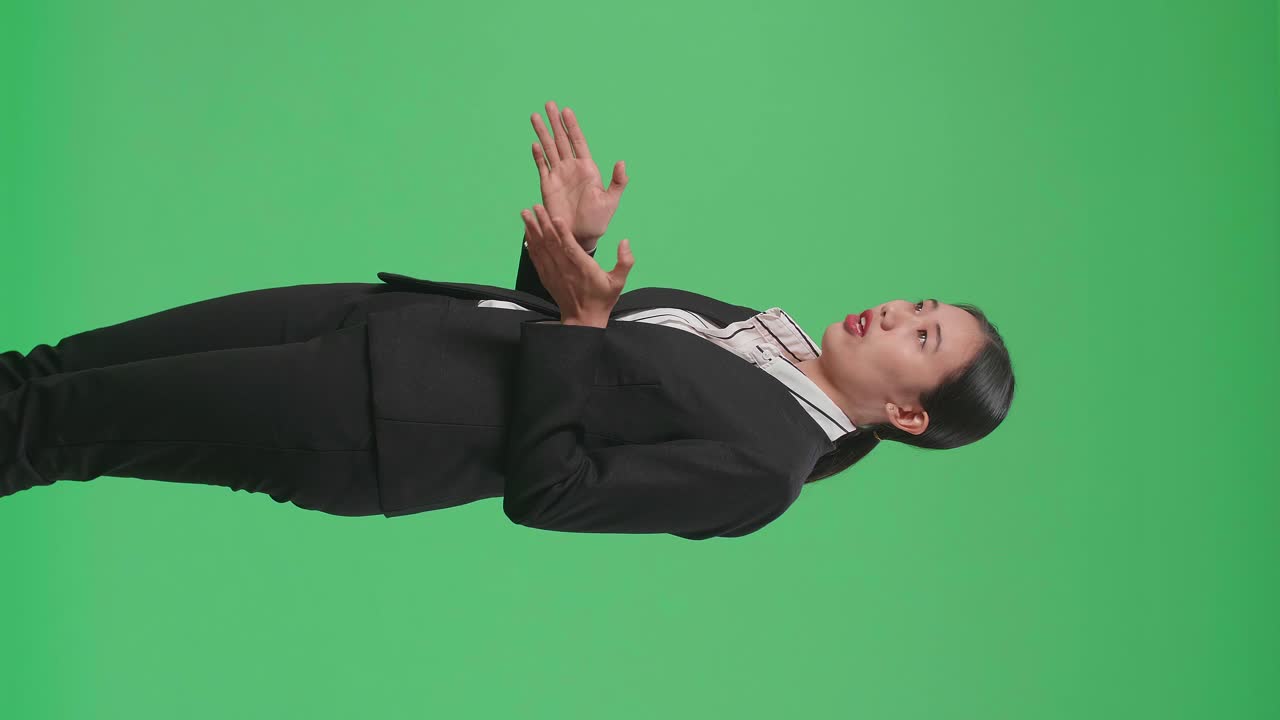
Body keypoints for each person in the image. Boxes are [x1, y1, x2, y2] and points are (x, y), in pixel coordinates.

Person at [0, 101, 1015, 540]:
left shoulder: (766, 471)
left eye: (919, 338)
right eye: (917, 306)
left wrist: (579, 326)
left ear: (910, 415)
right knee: (39, 378)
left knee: (50, 429)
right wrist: (560, 246)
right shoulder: (762, 334)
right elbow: (556, 336)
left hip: (371, 423)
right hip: (387, 324)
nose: (893, 313)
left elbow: (553, 490)